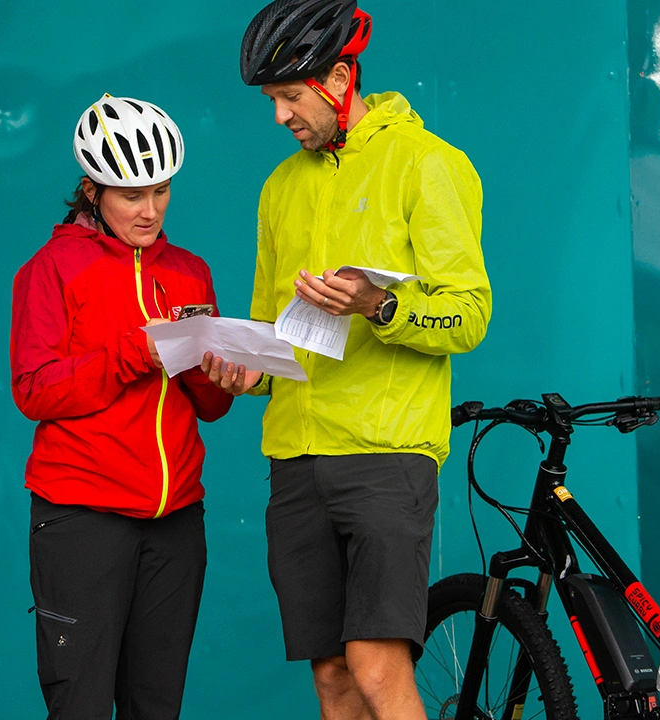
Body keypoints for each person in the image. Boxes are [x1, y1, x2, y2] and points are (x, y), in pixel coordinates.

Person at [206, 2, 491, 718]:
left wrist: (380, 307)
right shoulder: (280, 188)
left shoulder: (430, 165)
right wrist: (246, 370)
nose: (280, 117)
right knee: (332, 675)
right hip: (296, 460)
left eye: (290, 98)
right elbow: (276, 334)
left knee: (375, 666)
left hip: (385, 453)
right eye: (273, 101)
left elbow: (470, 313)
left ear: (339, 78)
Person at [10, 93, 233, 719]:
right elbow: (34, 388)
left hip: (177, 521)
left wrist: (218, 371)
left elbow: (211, 408)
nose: (151, 209)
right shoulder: (51, 269)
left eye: (161, 191)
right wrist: (135, 353)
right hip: (82, 516)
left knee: (156, 707)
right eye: (132, 195)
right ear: (92, 191)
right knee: (79, 706)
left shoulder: (191, 272)